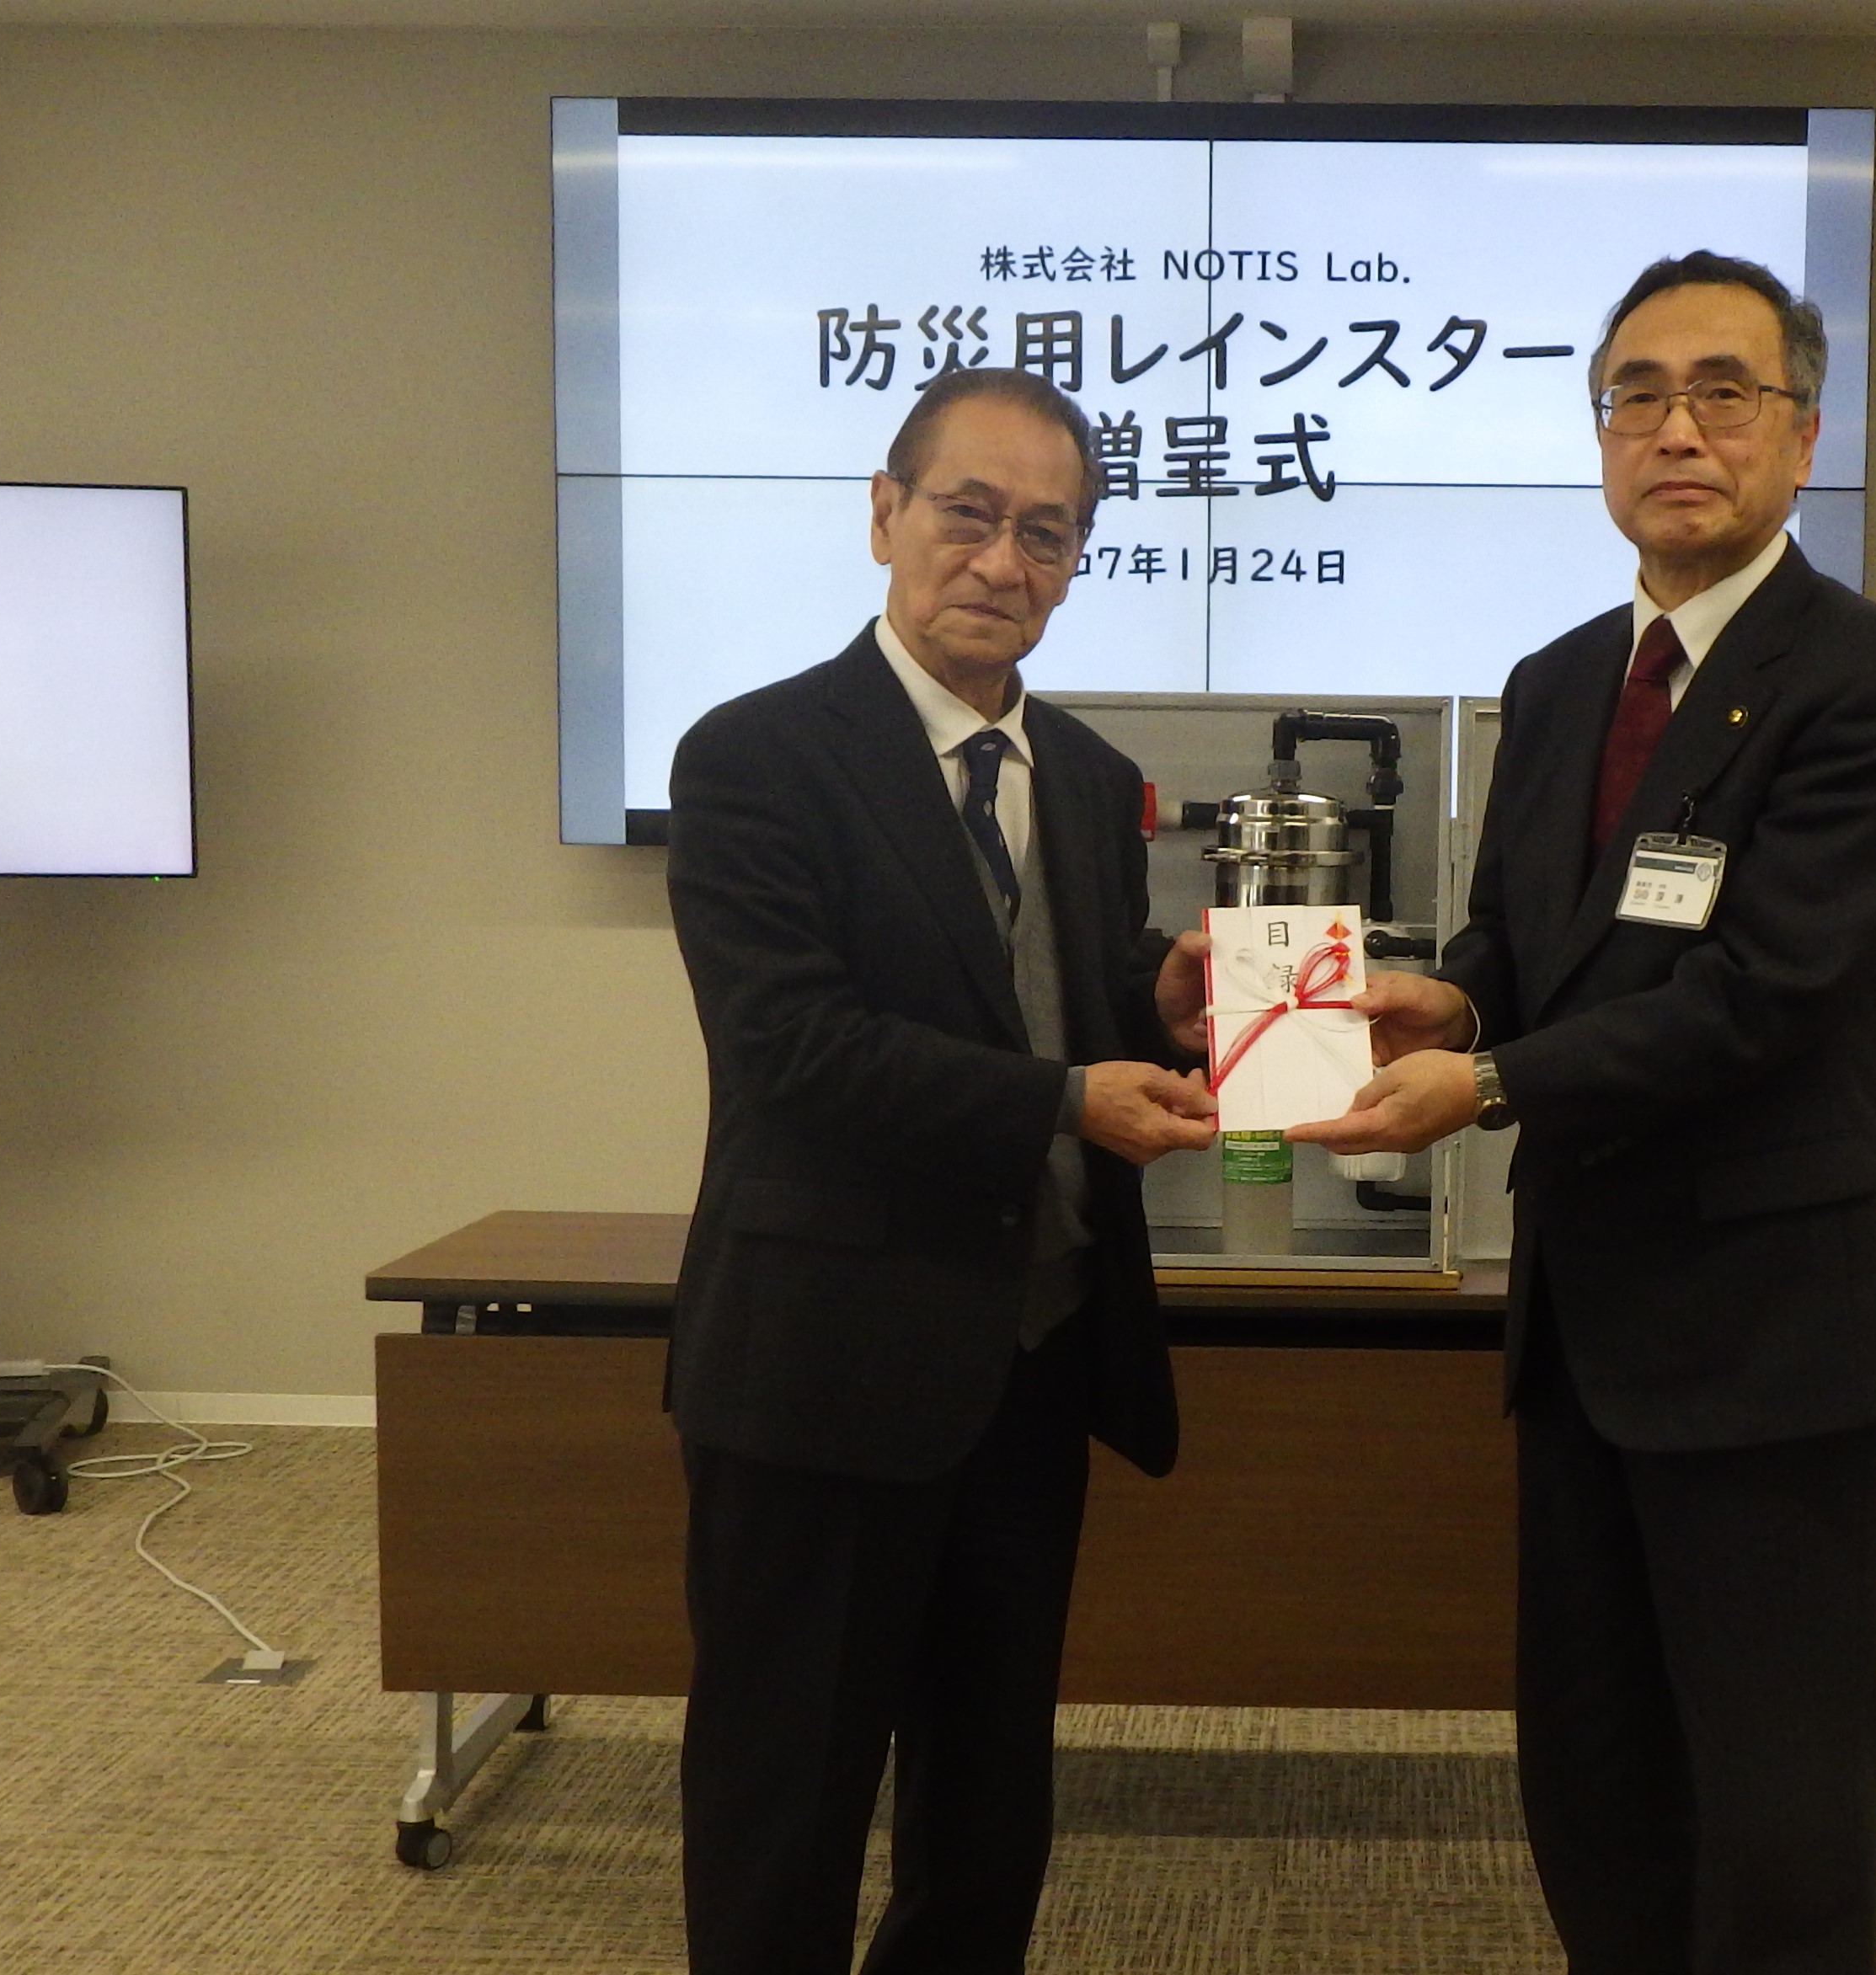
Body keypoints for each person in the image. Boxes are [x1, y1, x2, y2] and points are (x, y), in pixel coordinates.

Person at [1291, 253, 1876, 1972]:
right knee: (1593, 1768)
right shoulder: (1561, 679)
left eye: (1723, 393)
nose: (1677, 431)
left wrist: (1488, 1080)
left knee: (1777, 1785)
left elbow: (1766, 995)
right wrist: (1453, 1001)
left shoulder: (1870, 683)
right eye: (1637, 396)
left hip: (1767, 1328)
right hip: (1582, 1320)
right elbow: (1529, 940)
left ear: (1802, 435)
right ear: (1600, 438)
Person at [662, 366, 1220, 1975]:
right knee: (788, 1791)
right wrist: (1066, 1096)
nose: (1001, 560)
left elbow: (1058, 993)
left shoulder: (1091, 777)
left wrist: (1163, 1003)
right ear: (884, 512)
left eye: (1047, 532)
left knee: (988, 1795)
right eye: (969, 513)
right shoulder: (756, 755)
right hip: (823, 1367)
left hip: (1033, 1359)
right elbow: (795, 1048)